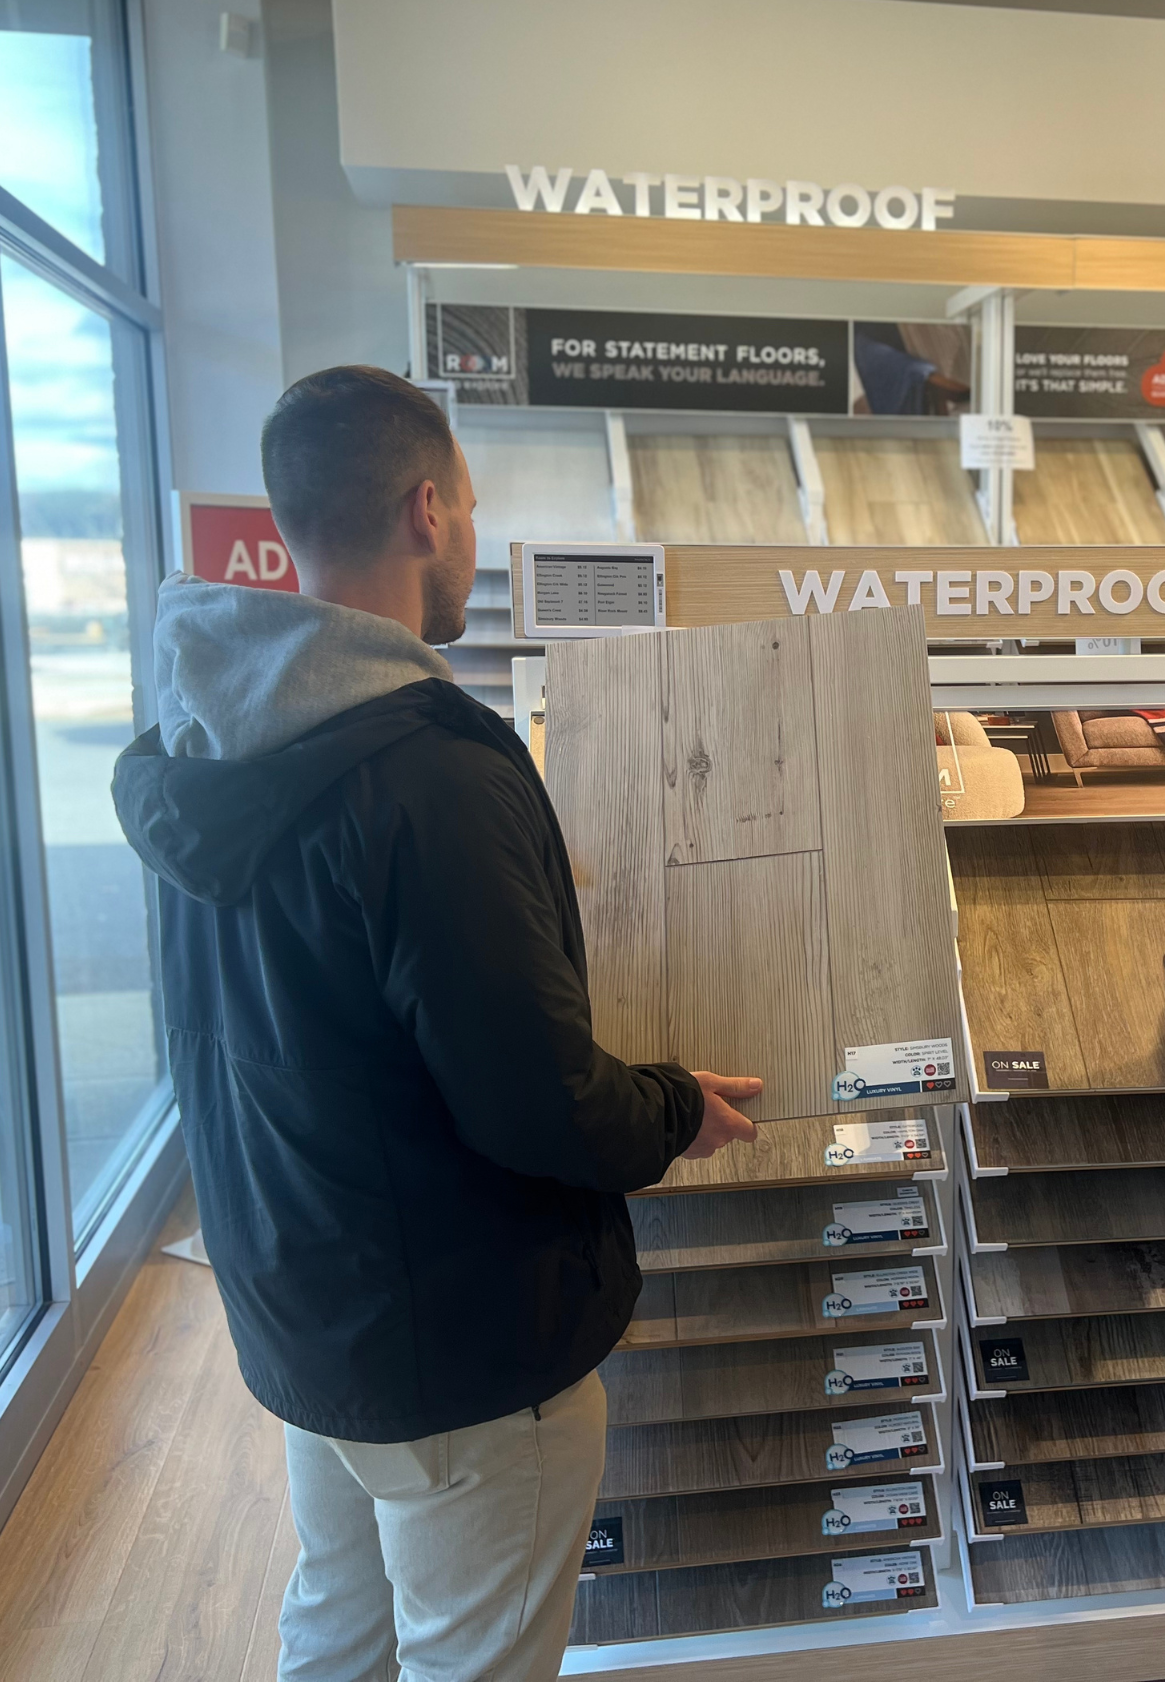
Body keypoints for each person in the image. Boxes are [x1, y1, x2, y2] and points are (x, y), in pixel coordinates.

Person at [113, 365, 760, 1682]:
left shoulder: (196, 742)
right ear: (426, 511)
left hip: (310, 1310)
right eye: (470, 506)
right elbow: (534, 1096)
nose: (472, 533)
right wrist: (676, 1109)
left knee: (337, 1636)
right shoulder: (431, 776)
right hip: (464, 1347)